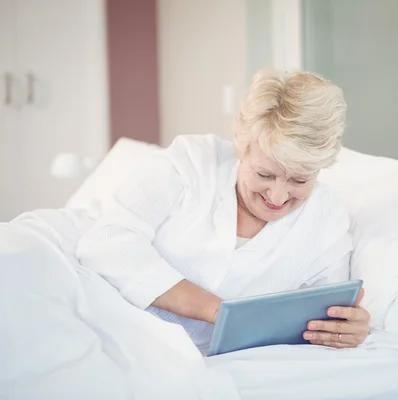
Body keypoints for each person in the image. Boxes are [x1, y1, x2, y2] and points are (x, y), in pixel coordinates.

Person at [76, 69, 370, 350]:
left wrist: (346, 329)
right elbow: (106, 242)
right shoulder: (190, 163)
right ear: (242, 147)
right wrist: (216, 310)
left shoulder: (326, 217)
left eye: (299, 179)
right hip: (113, 331)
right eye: (265, 175)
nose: (278, 196)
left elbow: (322, 313)